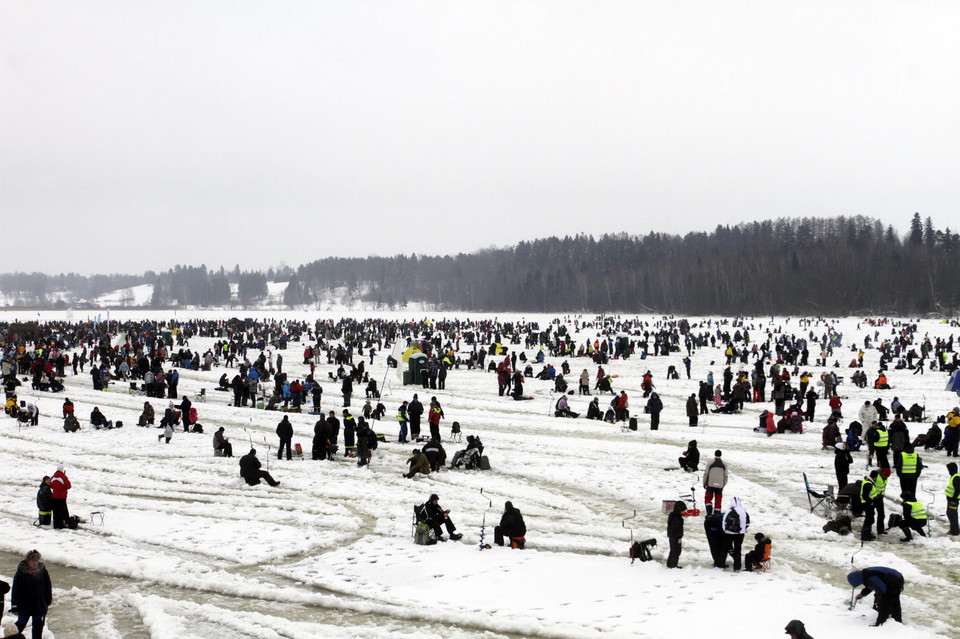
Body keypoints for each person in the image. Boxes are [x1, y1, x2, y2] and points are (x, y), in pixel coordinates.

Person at [10, 549, 52, 639]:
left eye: (37, 560)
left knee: (38, 628)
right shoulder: (21, 573)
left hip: (39, 605)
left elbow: (48, 586)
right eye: (33, 561)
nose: (35, 563)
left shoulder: (42, 570)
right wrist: (14, 606)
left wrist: (48, 601)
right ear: (28, 561)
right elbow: (16, 590)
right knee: (19, 626)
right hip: (25, 606)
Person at [719, 496, 749, 571]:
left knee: (725, 548)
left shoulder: (729, 510)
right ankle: (737, 567)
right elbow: (747, 523)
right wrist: (743, 530)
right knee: (738, 549)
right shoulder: (744, 511)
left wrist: (725, 530)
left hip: (729, 533)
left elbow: (724, 522)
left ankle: (720, 564)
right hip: (740, 533)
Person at [703, 450, 727, 514]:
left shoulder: (710, 462)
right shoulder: (724, 464)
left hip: (710, 484)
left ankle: (709, 512)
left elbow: (706, 474)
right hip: (720, 485)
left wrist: (704, 483)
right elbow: (726, 476)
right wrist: (723, 484)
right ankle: (717, 514)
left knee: (708, 498)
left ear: (715, 454)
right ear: (721, 455)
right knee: (718, 500)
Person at [666, 499, 685, 569]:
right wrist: (679, 536)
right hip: (675, 536)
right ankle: (673, 565)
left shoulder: (675, 516)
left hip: (674, 536)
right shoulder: (676, 518)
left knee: (674, 550)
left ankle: (670, 563)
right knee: (676, 551)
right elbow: (676, 528)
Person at [50, 465, 70, 530]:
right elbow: (68, 486)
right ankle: (62, 524)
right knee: (62, 510)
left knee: (56, 511)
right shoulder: (63, 477)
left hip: (55, 497)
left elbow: (51, 485)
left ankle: (56, 524)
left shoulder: (53, 477)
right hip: (62, 497)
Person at [947, 462, 960, 536]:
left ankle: (955, 531)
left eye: (949, 469)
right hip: (951, 499)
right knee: (950, 513)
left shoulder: (956, 477)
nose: (948, 471)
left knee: (952, 514)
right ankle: (953, 529)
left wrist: (953, 500)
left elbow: (957, 490)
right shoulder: (953, 476)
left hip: (953, 500)